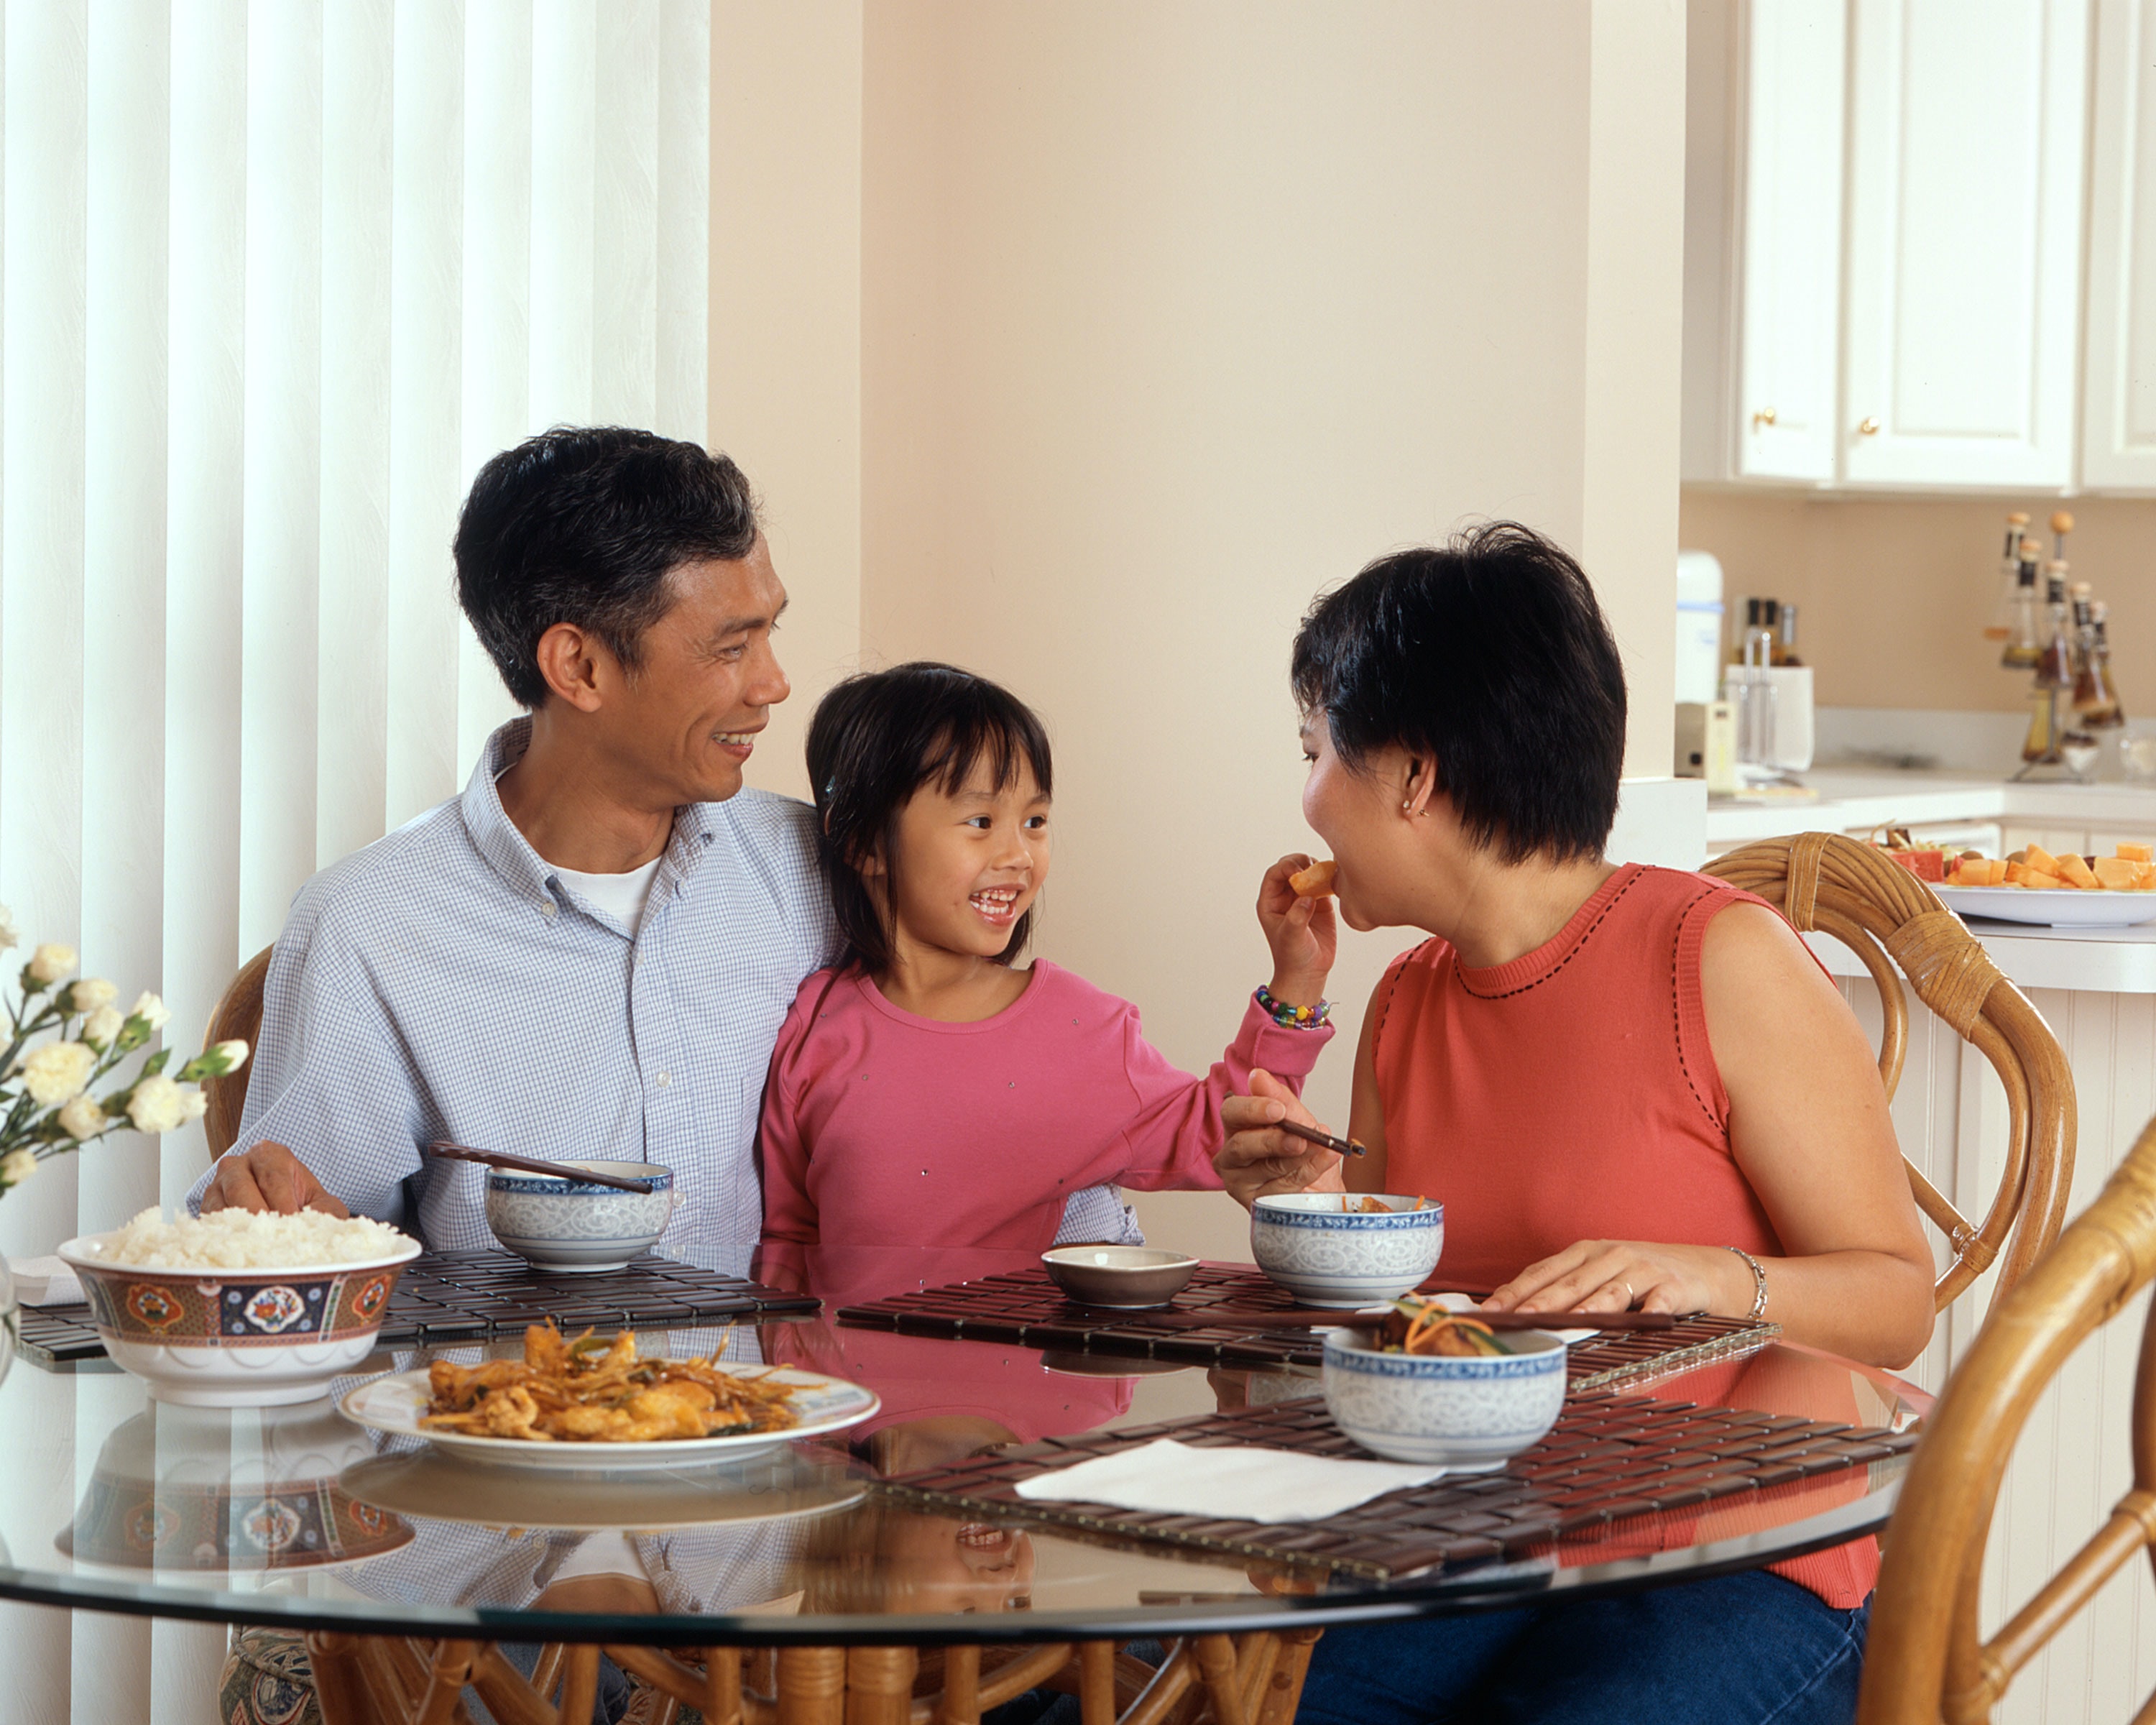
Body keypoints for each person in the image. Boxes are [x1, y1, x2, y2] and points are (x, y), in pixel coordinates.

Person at [1211, 523, 1934, 1725]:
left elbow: (1897, 1300)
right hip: (1489, 1530)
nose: (1307, 800)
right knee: (1208, 1704)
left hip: (1742, 1537)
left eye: (1317, 751)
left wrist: (1711, 1276)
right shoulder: (1405, 1002)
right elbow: (1409, 1326)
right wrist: (1304, 1211)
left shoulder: (1717, 959)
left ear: (1414, 775)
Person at [757, 662, 1336, 1254]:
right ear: (862, 842)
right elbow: (788, 1237)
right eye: (980, 821)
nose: (1019, 854)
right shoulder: (814, 1023)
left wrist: (1297, 979)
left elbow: (1226, 1129)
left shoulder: (1082, 1026)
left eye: (1034, 821)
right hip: (828, 1350)